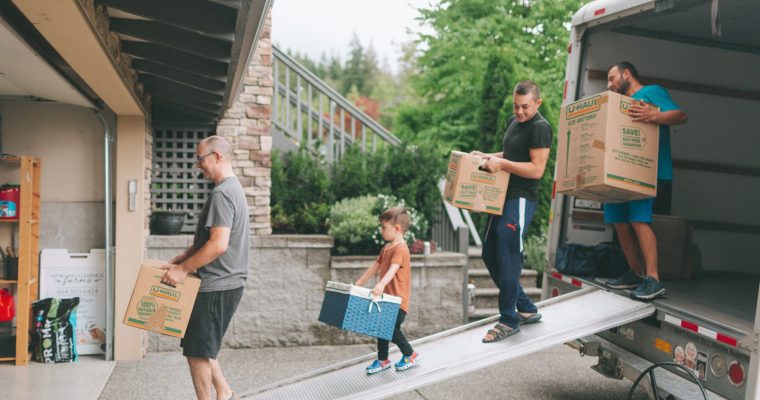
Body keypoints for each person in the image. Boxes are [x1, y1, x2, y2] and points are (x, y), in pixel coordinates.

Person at [160, 135, 250, 400]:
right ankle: (224, 392)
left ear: (218, 156)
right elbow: (214, 239)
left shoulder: (222, 193)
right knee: (200, 345)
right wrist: (187, 255)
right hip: (224, 282)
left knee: (197, 352)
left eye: (201, 159)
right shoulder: (233, 188)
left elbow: (219, 245)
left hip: (217, 284)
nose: (198, 165)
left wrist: (182, 269)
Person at [473, 81, 552, 343]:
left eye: (525, 107)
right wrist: (487, 156)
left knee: (508, 257)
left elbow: (537, 169)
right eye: (516, 106)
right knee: (488, 252)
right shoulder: (514, 122)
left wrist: (502, 164)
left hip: (520, 198)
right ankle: (526, 308)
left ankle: (508, 319)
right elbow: (510, 153)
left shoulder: (540, 128)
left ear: (537, 103)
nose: (519, 111)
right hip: (502, 195)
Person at [603, 61, 687, 300]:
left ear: (627, 74)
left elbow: (681, 116)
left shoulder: (652, 92)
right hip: (619, 170)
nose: (609, 84)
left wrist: (655, 114)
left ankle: (653, 279)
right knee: (619, 222)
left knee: (638, 220)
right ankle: (636, 273)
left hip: (646, 171)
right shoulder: (617, 104)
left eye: (612, 78)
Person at [354, 206, 419, 374]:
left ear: (397, 229)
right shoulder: (387, 248)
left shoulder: (401, 248)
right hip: (386, 300)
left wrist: (381, 284)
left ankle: (410, 354)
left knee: (389, 328)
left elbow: (394, 268)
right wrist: (360, 282)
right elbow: (375, 265)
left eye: (384, 227)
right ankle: (383, 360)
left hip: (397, 301)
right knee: (380, 327)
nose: (381, 230)